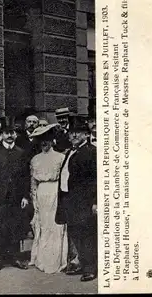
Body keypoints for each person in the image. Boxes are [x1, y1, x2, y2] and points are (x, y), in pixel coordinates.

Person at [0, 119, 31, 272]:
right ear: (1, 134)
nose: (10, 136)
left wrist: (25, 196)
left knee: (15, 226)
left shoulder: (20, 152)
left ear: (15, 135)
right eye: (6, 133)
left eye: (12, 133)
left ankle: (15, 257)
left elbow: (25, 176)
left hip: (16, 197)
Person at [56, 116, 97, 282]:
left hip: (84, 201)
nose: (73, 136)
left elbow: (95, 179)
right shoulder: (70, 152)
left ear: (86, 135)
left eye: (78, 133)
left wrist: (95, 202)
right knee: (75, 234)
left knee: (87, 235)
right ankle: (80, 263)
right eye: (71, 133)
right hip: (69, 200)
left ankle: (90, 268)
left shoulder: (91, 151)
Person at [28, 123, 68, 273]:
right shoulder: (35, 159)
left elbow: (64, 180)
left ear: (52, 141)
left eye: (47, 140)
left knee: (55, 225)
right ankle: (41, 258)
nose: (44, 143)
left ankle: (56, 260)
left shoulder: (60, 158)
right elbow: (33, 182)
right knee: (43, 225)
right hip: (41, 192)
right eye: (41, 141)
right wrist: (34, 200)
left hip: (55, 192)